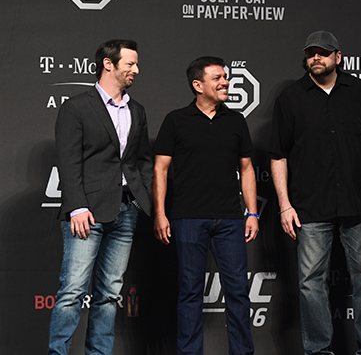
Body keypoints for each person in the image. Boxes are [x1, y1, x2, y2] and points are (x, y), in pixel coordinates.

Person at [270, 30, 361, 355]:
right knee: (310, 282)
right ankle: (319, 351)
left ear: (338, 56)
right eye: (311, 53)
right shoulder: (291, 98)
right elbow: (278, 155)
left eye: (323, 52)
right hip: (309, 206)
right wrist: (284, 205)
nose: (316, 58)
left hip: (358, 204)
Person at [49, 39, 153, 355]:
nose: (136, 69)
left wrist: (140, 197)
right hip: (87, 213)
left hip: (126, 211)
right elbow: (68, 161)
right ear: (109, 64)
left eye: (136, 64)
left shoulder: (137, 109)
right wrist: (77, 206)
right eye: (130, 64)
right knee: (72, 291)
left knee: (109, 293)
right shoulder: (77, 106)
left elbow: (142, 160)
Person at [153, 56, 258, 355]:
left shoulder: (236, 120)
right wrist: (160, 213)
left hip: (230, 219)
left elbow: (247, 168)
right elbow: (160, 170)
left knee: (238, 291)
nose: (225, 82)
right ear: (198, 85)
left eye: (225, 76)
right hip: (187, 218)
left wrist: (252, 212)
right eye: (217, 78)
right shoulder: (176, 120)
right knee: (189, 292)